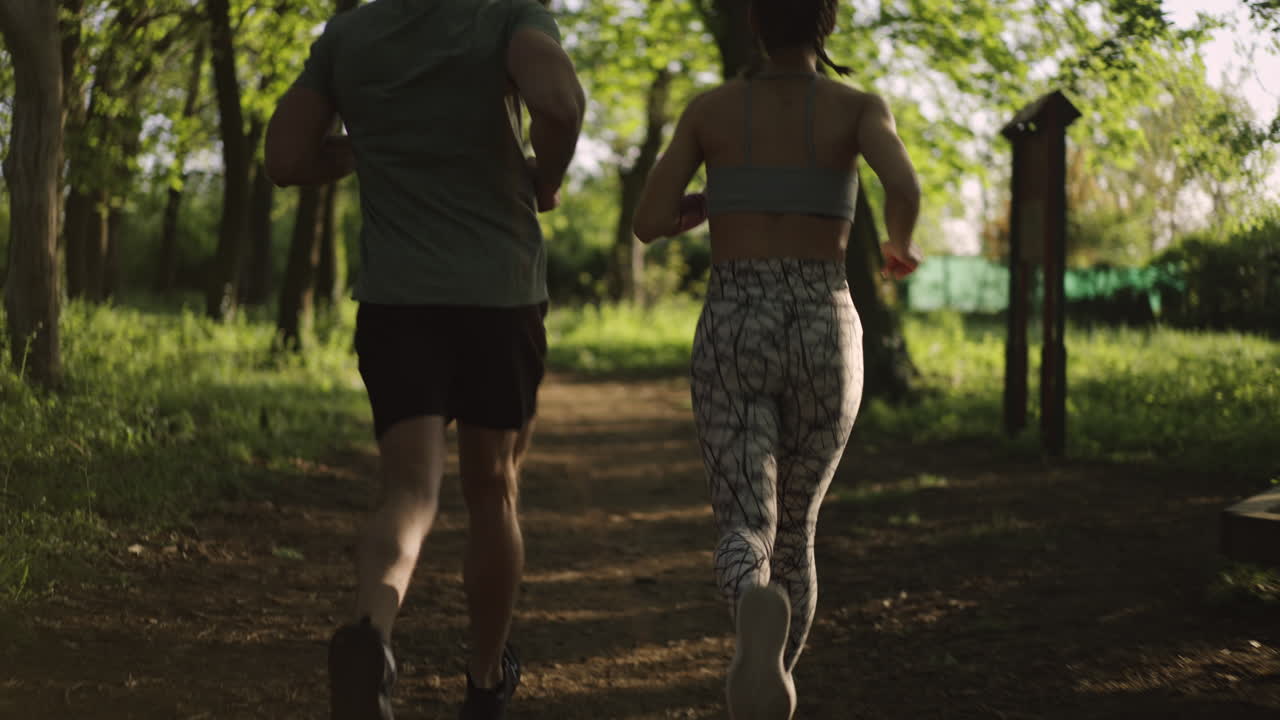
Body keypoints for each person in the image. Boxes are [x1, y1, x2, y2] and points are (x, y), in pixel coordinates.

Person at [263, 0, 584, 718]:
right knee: (492, 490)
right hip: (499, 296)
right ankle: (484, 680)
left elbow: (284, 158)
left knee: (408, 491)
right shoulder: (508, 17)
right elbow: (558, 101)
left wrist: (360, 149)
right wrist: (549, 175)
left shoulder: (350, 35)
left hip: (399, 301)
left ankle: (371, 635)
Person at [632, 1, 922, 718]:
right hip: (825, 321)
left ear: (755, 24)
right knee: (797, 527)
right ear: (826, 25)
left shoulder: (712, 110)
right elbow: (904, 186)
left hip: (736, 319)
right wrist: (897, 244)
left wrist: (704, 204)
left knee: (744, 520)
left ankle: (751, 615)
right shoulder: (857, 108)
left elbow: (646, 223)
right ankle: (776, 678)